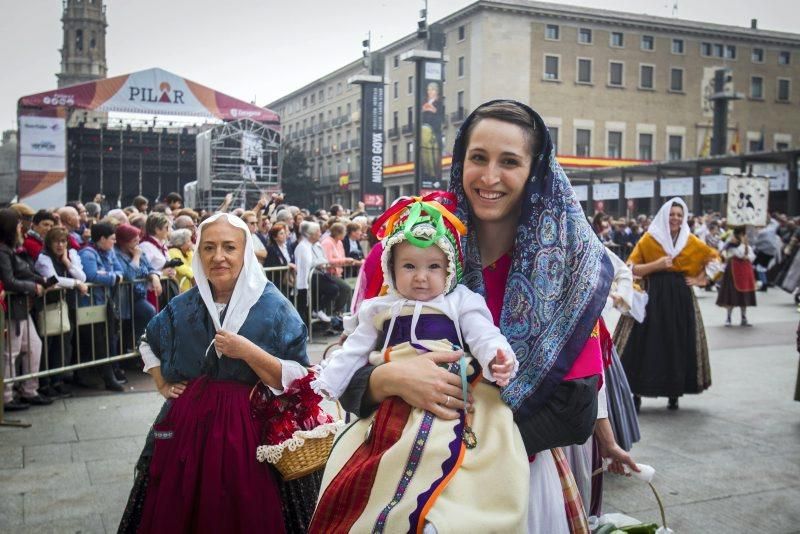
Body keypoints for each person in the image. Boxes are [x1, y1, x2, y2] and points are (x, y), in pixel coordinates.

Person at [330, 101, 614, 533]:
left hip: (512, 478)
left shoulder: (568, 263)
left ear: (535, 169)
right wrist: (387, 380)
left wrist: (466, 452)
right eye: (477, 158)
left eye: (510, 162)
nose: (489, 177)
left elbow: (574, 413)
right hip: (404, 475)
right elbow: (351, 370)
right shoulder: (417, 248)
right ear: (459, 160)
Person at [311, 198, 525, 533]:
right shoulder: (377, 308)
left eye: (433, 267)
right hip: (391, 401)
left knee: (442, 452)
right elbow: (353, 351)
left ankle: (430, 515)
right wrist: (327, 383)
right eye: (409, 266)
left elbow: (484, 335)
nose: (421, 278)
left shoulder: (460, 302)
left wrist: (498, 358)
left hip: (451, 396)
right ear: (391, 268)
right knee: (355, 465)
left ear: (450, 269)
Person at [119, 212, 317, 533]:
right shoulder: (184, 305)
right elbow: (148, 341)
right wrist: (161, 382)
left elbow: (298, 375)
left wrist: (248, 351)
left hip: (251, 429)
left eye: (229, 247)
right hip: (189, 427)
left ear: (245, 253)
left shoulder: (273, 306)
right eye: (208, 248)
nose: (218, 257)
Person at [615, 197, 719, 411]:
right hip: (653, 295)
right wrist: (657, 264)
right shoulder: (649, 240)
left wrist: (701, 279)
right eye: (672, 214)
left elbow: (715, 259)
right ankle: (637, 392)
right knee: (644, 343)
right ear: (664, 215)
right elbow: (631, 268)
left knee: (676, 341)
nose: (675, 218)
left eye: (679, 215)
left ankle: (674, 391)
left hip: (680, 298)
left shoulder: (691, 242)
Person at [0, 208, 51, 410]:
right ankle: (6, 396)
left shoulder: (9, 249)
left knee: (32, 346)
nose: (22, 227)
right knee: (10, 353)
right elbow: (9, 280)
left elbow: (22, 272)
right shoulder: (3, 251)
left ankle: (29, 389)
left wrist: (43, 281)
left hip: (19, 307)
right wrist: (34, 286)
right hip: (12, 308)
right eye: (19, 224)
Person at [34, 226, 89, 398]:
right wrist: (74, 284)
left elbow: (83, 277)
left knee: (62, 343)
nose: (60, 245)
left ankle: (57, 381)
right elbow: (53, 279)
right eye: (56, 241)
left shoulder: (70, 255)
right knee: (48, 345)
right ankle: (45, 383)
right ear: (49, 243)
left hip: (64, 305)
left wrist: (66, 263)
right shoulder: (43, 257)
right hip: (47, 305)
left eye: (63, 241)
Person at [78, 222, 125, 391]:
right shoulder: (87, 254)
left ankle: (106, 374)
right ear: (102, 238)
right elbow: (91, 275)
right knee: (94, 341)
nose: (114, 242)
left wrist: (108, 276)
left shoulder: (110, 252)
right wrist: (111, 278)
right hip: (89, 305)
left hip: (104, 303)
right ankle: (105, 377)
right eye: (112, 239)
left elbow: (120, 272)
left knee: (105, 339)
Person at [114, 224, 161, 352]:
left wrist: (154, 277)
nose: (138, 242)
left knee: (147, 314)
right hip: (123, 298)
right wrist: (136, 257)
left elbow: (150, 268)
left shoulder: (138, 250)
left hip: (138, 295)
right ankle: (133, 350)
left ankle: (139, 349)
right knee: (124, 328)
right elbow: (129, 275)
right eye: (134, 240)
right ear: (124, 242)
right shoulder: (117, 254)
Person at [294, 221, 338, 324]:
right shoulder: (303, 247)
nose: (320, 234)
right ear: (311, 234)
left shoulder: (309, 245)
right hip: (304, 284)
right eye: (317, 231)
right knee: (303, 309)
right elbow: (305, 267)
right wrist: (304, 286)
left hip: (309, 282)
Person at [716, 226, 757, 326]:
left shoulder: (746, 245)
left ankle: (743, 318)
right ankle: (728, 318)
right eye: (743, 235)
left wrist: (747, 251)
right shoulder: (731, 245)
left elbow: (752, 256)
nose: (744, 237)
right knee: (731, 295)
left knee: (744, 296)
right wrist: (744, 248)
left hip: (745, 272)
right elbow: (739, 254)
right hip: (733, 272)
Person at [319, 222, 357, 313]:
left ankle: (337, 312)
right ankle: (335, 311)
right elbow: (328, 260)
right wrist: (345, 260)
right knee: (346, 288)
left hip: (338, 272)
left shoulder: (339, 242)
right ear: (338, 233)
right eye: (344, 232)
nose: (345, 234)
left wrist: (345, 260)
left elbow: (341, 257)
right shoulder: (327, 242)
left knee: (347, 290)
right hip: (328, 273)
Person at [167, 229, 194, 293]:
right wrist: (194, 275)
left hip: (188, 289)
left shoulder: (188, 252)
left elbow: (194, 265)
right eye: (188, 241)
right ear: (180, 244)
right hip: (178, 290)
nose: (191, 243)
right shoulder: (172, 251)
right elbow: (181, 267)